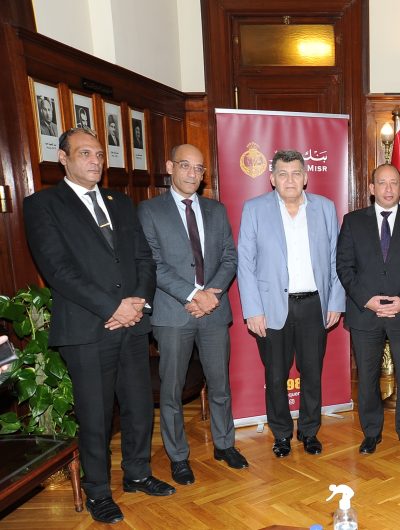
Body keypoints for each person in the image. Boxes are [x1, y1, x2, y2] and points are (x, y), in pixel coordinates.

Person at [23, 128, 173, 524]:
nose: (95, 161)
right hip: (88, 330)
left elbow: (143, 258)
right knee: (96, 415)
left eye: (99, 155)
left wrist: (137, 303)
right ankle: (98, 492)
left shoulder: (118, 201)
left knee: (139, 407)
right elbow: (58, 269)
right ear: (64, 158)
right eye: (85, 153)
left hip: (132, 324)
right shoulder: (43, 205)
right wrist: (113, 307)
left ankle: (137, 473)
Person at [137, 144, 247, 486]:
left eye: (199, 169)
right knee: (171, 390)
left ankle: (225, 444)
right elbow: (153, 263)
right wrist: (193, 294)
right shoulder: (150, 210)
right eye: (185, 165)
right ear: (170, 166)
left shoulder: (216, 209)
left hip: (213, 310)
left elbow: (229, 257)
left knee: (220, 384)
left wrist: (211, 294)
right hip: (173, 313)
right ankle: (178, 457)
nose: (192, 173)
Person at [238, 150, 345, 458]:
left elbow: (336, 259)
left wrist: (335, 301)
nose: (289, 180)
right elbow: (245, 263)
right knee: (275, 376)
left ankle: (309, 431)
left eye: (296, 173)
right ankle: (282, 434)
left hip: (314, 304)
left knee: (312, 373)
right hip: (272, 307)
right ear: (272, 179)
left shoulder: (325, 208)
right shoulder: (255, 209)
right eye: (282, 174)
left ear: (305, 177)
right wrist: (253, 309)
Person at [336, 164, 400, 454]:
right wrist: (367, 300)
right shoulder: (353, 221)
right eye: (382, 183)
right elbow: (344, 266)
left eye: (394, 183)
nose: (388, 189)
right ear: (371, 188)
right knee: (367, 378)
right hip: (365, 313)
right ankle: (371, 433)